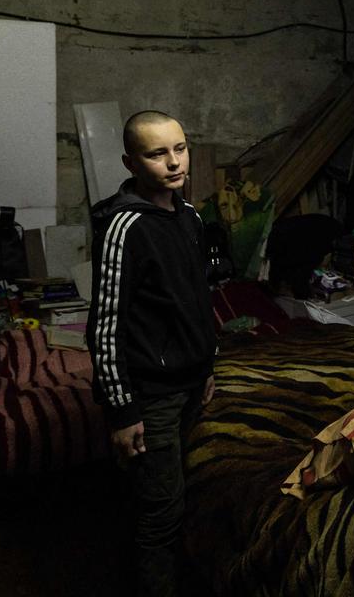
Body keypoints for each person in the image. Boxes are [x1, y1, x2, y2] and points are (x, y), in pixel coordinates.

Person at [86, 110, 217, 597]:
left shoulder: (190, 216)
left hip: (190, 382)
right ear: (130, 161)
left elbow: (196, 300)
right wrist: (122, 410)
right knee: (160, 512)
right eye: (156, 153)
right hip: (152, 393)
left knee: (184, 494)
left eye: (179, 149)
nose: (173, 162)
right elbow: (105, 324)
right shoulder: (124, 227)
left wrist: (208, 363)